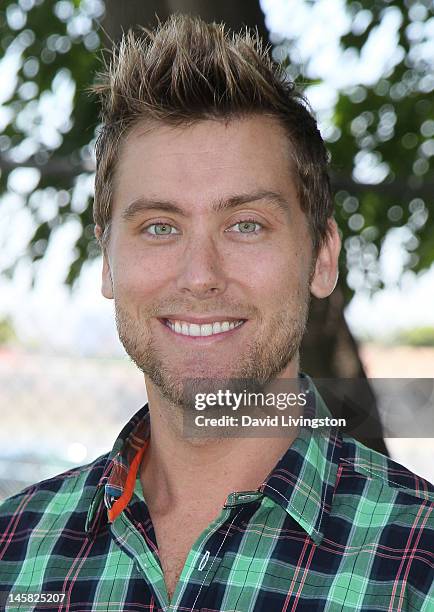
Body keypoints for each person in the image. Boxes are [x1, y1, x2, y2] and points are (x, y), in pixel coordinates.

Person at [0, 14, 433, 612]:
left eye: (246, 225)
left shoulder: (417, 561)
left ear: (322, 258)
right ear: (107, 263)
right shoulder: (14, 550)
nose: (200, 274)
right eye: (159, 227)